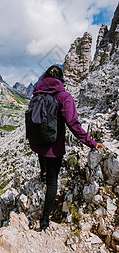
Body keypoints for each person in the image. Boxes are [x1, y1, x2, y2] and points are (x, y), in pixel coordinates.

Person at [29, 65, 105, 231]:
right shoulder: (64, 96)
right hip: (54, 147)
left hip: (37, 142)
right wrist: (91, 142)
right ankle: (44, 221)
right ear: (60, 78)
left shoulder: (36, 94)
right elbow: (73, 123)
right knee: (52, 183)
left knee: (43, 157)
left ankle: (42, 172)